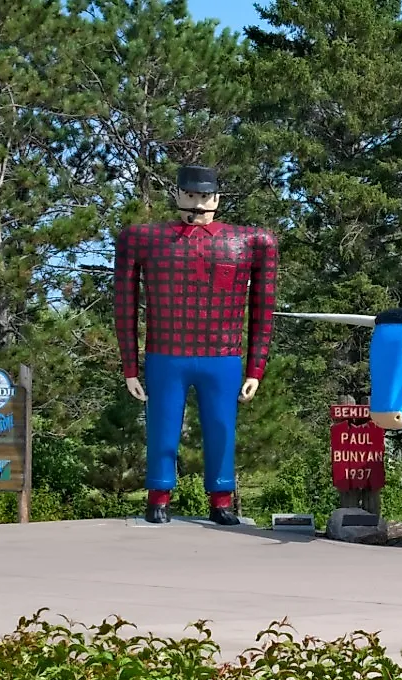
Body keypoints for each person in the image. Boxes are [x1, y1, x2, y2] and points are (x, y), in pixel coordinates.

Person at [114, 164, 279, 525]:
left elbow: (263, 308)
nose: (198, 204)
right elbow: (124, 302)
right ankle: (158, 497)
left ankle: (221, 499)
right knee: (162, 425)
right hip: (166, 353)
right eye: (190, 195)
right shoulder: (143, 239)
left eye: (205, 196)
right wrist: (130, 366)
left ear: (217, 198)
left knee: (222, 427)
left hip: (222, 354)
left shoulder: (251, 242)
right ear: (177, 195)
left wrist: (256, 368)